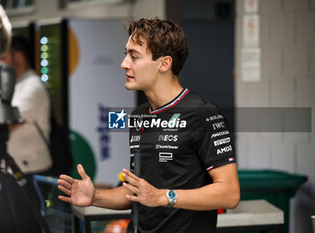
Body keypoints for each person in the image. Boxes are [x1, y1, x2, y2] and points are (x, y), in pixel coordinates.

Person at [57, 18, 240, 233]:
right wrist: (95, 196)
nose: (124, 64)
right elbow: (139, 193)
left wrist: (163, 196)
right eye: (125, 55)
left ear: (164, 64)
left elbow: (230, 194)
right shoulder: (139, 116)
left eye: (134, 56)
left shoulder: (203, 114)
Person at [0, 35, 53, 175]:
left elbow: (6, 120)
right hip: (16, 167)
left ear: (19, 57)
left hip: (31, 169)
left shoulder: (33, 86)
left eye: (3, 58)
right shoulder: (13, 86)